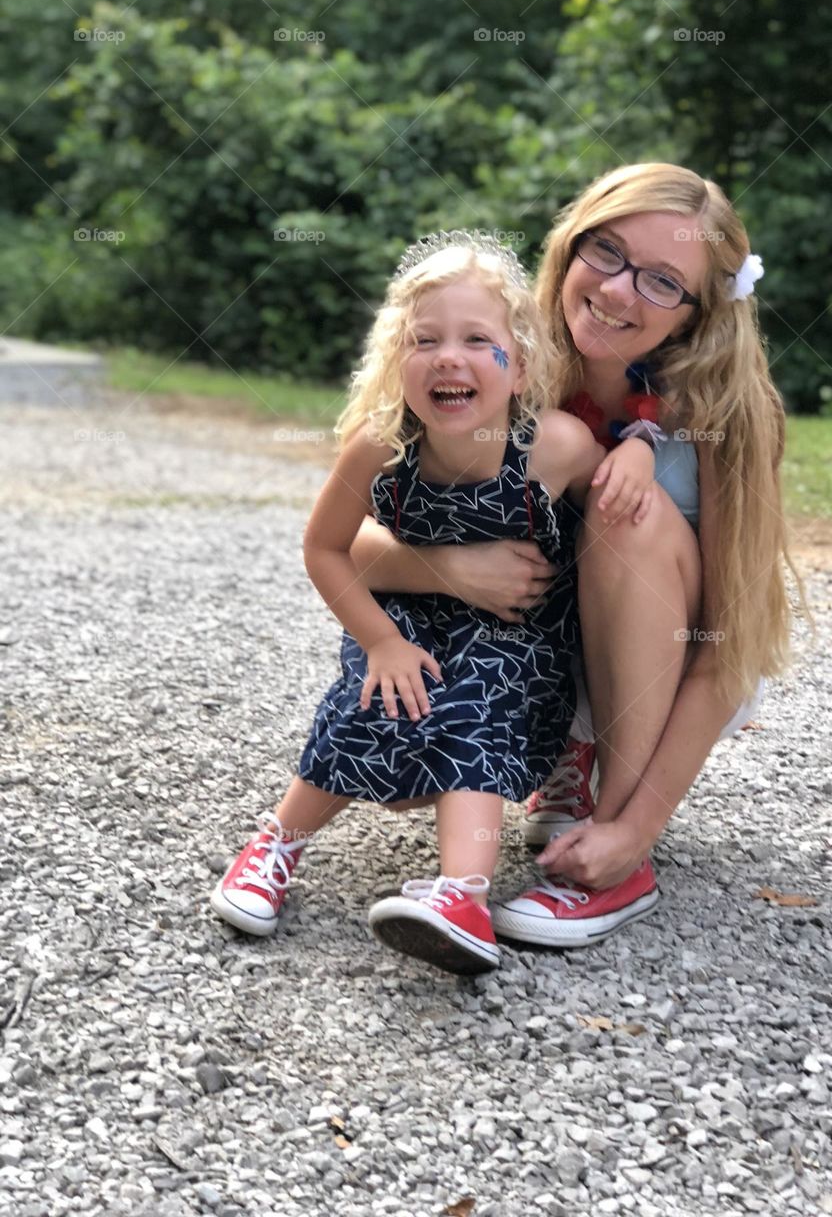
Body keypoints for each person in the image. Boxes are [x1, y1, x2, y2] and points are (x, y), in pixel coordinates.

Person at [349, 164, 805, 948]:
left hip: (682, 651)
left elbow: (728, 645)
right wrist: (449, 571)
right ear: (572, 244)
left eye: (664, 281)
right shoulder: (503, 353)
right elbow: (356, 545)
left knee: (625, 511)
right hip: (548, 640)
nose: (621, 292)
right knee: (394, 781)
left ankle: (618, 850)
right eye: (609, 253)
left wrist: (638, 829)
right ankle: (566, 750)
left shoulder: (728, 409)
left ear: (699, 314)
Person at [210, 231, 655, 974]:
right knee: (371, 697)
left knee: (479, 704)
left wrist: (639, 446)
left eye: (478, 340)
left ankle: (461, 893)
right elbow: (323, 549)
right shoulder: (378, 449)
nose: (450, 356)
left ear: (520, 365)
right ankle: (274, 844)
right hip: (403, 619)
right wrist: (380, 642)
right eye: (425, 340)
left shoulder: (556, 446)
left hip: (519, 633)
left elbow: (613, 525)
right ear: (397, 361)